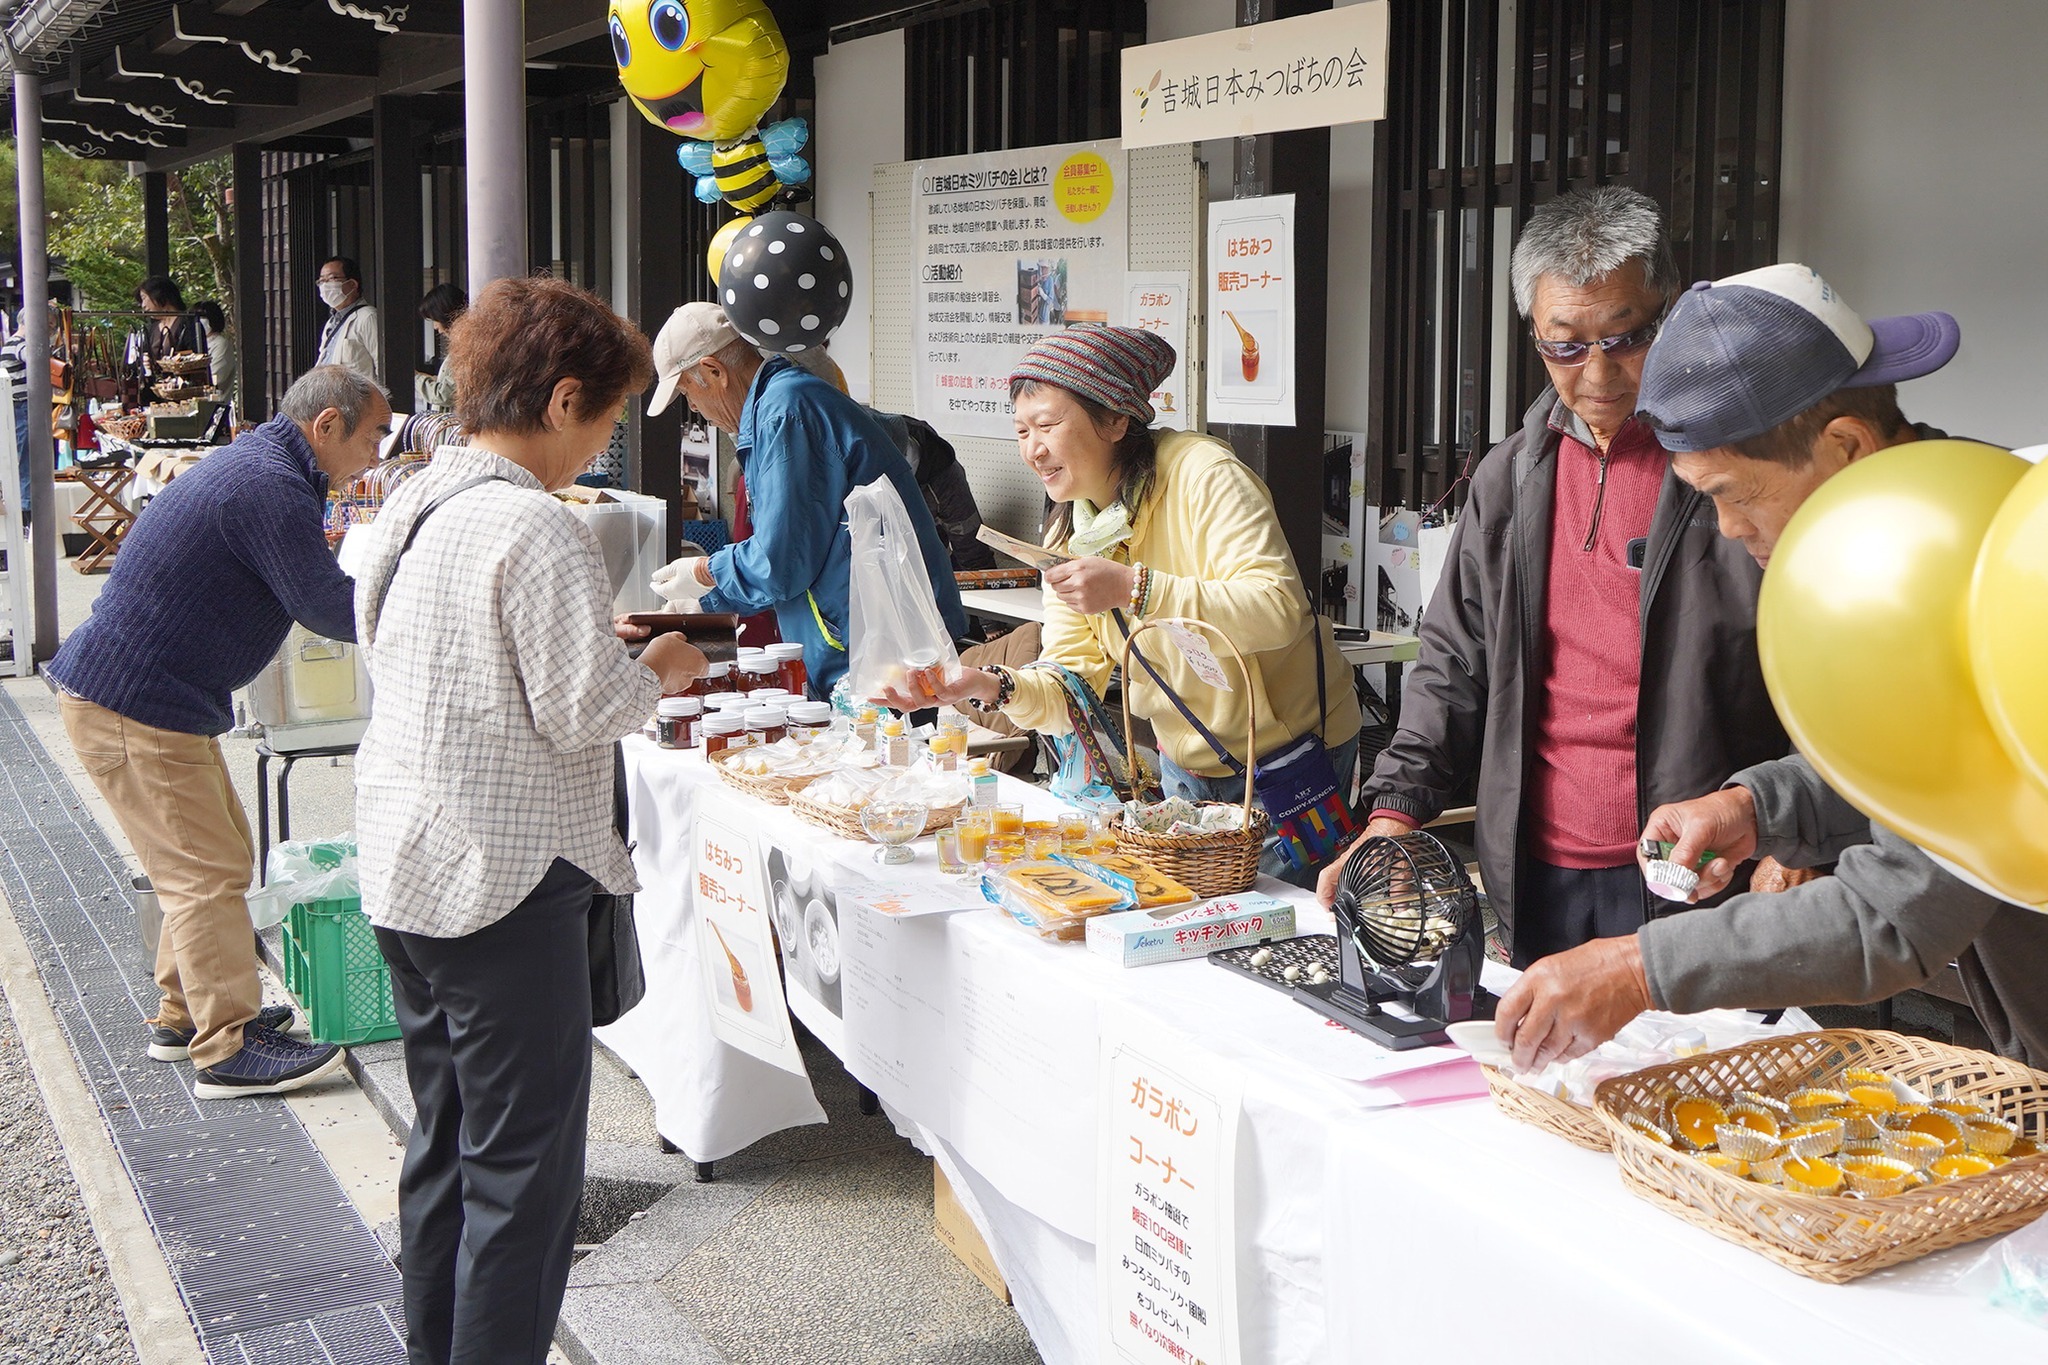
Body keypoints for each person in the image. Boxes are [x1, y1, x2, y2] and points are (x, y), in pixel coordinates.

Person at [1495, 265, 2048, 1072]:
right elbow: (1933, 767)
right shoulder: (1912, 536)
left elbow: (1890, 916)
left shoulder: (1989, 571)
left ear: (1846, 444)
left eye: (1733, 493)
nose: (1725, 529)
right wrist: (1757, 804)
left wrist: (1640, 968)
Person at [354, 277, 706, 1365]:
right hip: (506, 880)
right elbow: (582, 709)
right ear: (561, 402)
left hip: (408, 863)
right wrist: (660, 663)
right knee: (524, 1178)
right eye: (603, 419)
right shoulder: (534, 523)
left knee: (448, 1150)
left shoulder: (411, 500)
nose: (598, 444)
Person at [1315, 186, 1788, 961]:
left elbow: (1812, 669)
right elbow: (1451, 662)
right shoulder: (1511, 478)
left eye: (1625, 337)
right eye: (1565, 344)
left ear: (1667, 313)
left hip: (1706, 867)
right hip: (1539, 870)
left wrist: (1797, 829)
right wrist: (1394, 812)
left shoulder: (1731, 474)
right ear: (1534, 336)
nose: (1596, 372)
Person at [875, 324, 1363, 882]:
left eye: (1048, 424)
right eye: (1021, 430)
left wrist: (1136, 588)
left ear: (1115, 419)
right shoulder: (1069, 530)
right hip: (1185, 762)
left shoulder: (1205, 476)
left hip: (1291, 758)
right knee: (1189, 919)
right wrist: (986, 684)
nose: (1033, 449)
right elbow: (1072, 685)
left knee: (1280, 926)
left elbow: (1278, 607)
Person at [44, 365, 391, 1095]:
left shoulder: (266, 466)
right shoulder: (269, 484)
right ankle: (224, 1046)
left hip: (146, 697)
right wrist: (429, 606)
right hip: (136, 702)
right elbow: (326, 604)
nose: (378, 453)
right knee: (204, 873)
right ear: (325, 426)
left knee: (214, 859)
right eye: (373, 436)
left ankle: (182, 1015)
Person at [637, 301, 966, 698]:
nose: (695, 409)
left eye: (689, 393)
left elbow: (781, 560)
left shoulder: (785, 412)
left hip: (882, 646)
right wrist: (709, 598)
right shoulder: (775, 407)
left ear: (713, 371)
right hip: (863, 637)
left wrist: (707, 577)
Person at [315, 255, 381, 385]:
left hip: (359, 401)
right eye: (322, 281)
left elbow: (383, 364)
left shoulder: (368, 317)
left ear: (352, 284)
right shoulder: (331, 323)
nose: (325, 285)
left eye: (333, 278)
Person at [137, 275, 203, 401]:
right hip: (157, 395)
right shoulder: (153, 328)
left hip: (184, 395)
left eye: (144, 298)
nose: (143, 305)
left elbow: (197, 363)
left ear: (159, 296)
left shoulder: (188, 324)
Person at [415, 282, 467, 412]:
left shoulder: (466, 348)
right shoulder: (463, 345)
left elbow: (445, 394)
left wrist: (417, 378)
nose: (435, 327)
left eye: (434, 320)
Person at [194, 299, 236, 410]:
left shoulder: (221, 344)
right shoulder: (197, 344)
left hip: (215, 407)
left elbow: (215, 377)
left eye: (203, 318)